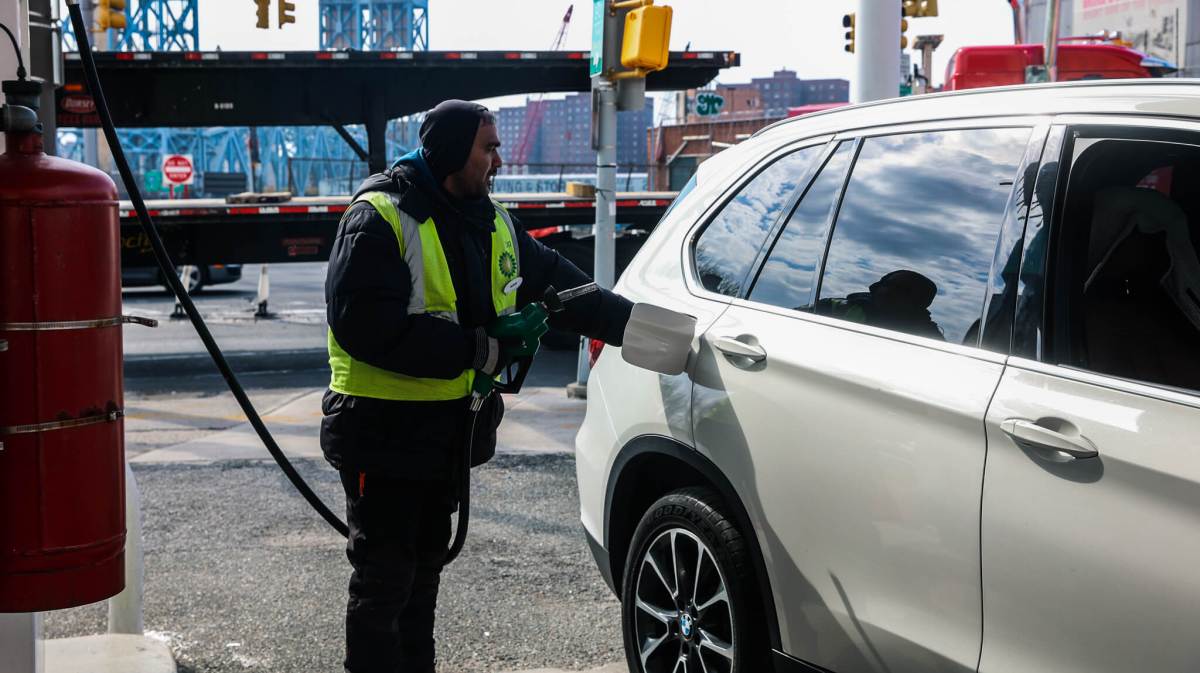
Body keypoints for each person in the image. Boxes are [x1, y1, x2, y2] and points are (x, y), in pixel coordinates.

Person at [320, 100, 633, 673]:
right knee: (383, 584)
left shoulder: (493, 221)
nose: (498, 159)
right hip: (381, 434)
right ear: (449, 151)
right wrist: (477, 349)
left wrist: (638, 328)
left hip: (445, 435)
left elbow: (565, 287)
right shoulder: (379, 217)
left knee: (422, 580)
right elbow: (364, 326)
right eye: (487, 147)